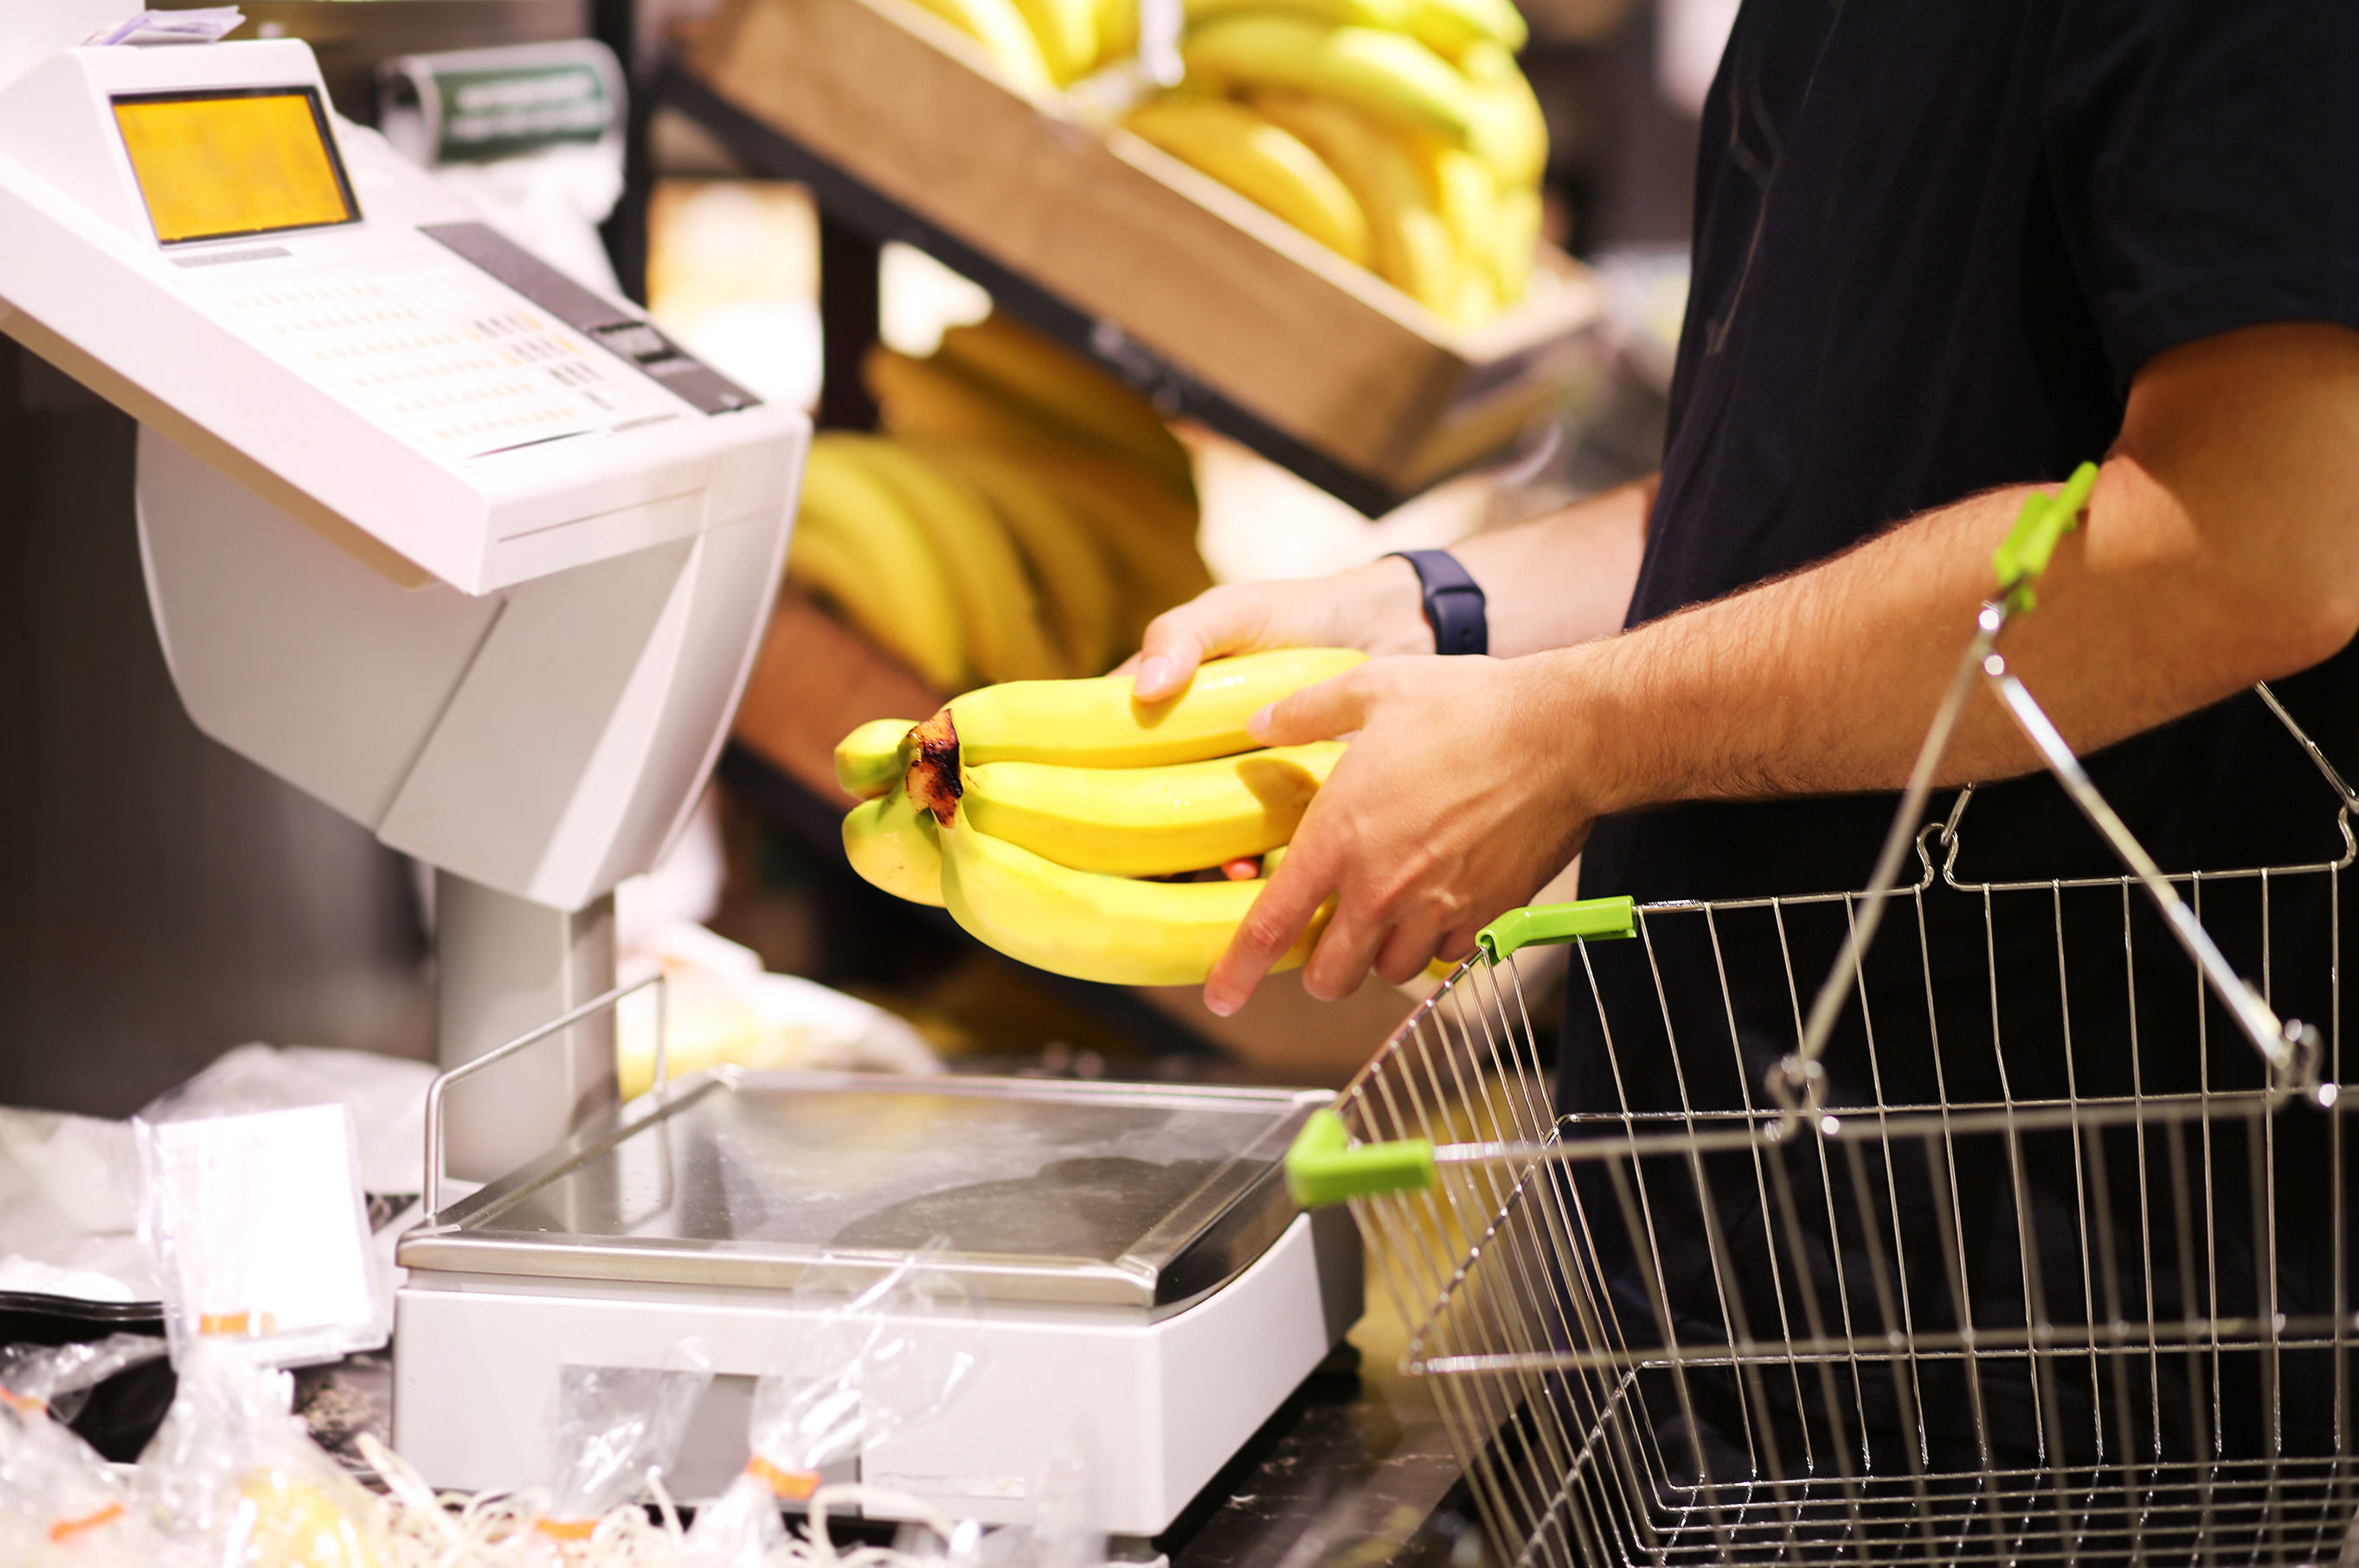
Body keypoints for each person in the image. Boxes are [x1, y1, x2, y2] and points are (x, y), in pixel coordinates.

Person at [1130, 0, 2359, 1473]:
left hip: (2060, 1346)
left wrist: (1574, 740)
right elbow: (1799, 494)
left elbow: (2256, 536)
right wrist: (1434, 612)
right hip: (1750, 1321)